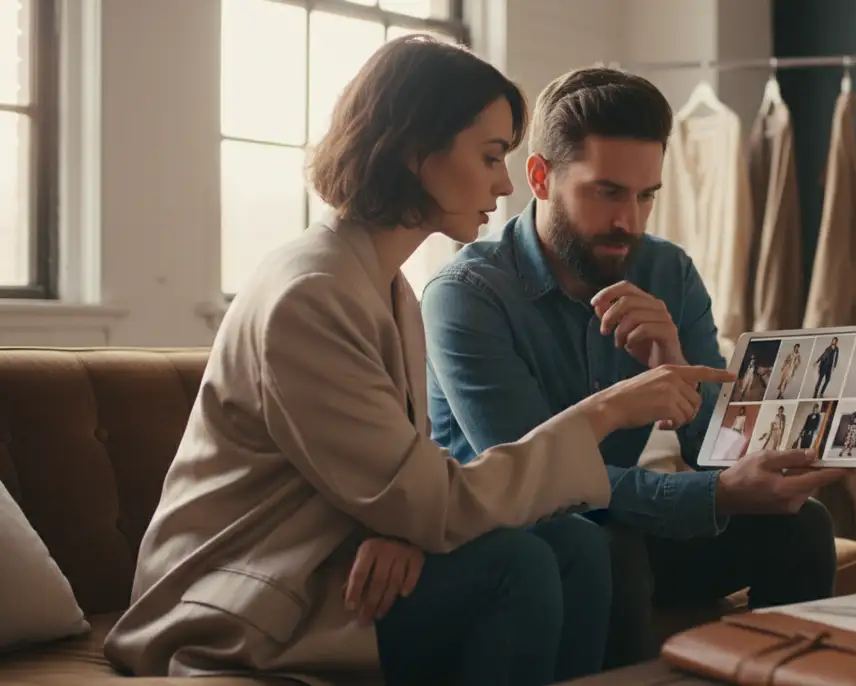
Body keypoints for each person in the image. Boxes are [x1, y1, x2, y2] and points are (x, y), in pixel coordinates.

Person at [103, 38, 732, 686]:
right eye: (490, 156)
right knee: (519, 567)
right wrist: (609, 410)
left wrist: (406, 528)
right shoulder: (312, 294)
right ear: (416, 151)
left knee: (574, 543)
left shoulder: (385, 285)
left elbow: (397, 475)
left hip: (335, 560)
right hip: (243, 596)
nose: (505, 184)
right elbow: (425, 497)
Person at [421, 66, 848, 667]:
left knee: (803, 524)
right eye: (608, 192)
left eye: (646, 195)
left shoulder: (667, 273)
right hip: (521, 538)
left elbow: (716, 450)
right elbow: (540, 480)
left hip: (623, 527)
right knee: (606, 546)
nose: (631, 221)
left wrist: (678, 370)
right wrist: (718, 495)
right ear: (540, 177)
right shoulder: (467, 295)